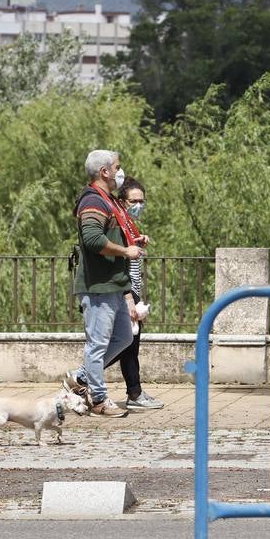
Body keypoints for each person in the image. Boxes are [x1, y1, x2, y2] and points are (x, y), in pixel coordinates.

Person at [65, 149, 139, 417]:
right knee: (97, 345)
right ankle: (98, 400)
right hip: (98, 287)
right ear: (104, 172)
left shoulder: (107, 200)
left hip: (113, 285)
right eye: (117, 167)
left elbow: (107, 236)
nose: (121, 172)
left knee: (123, 338)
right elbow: (93, 240)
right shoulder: (92, 201)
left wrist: (132, 242)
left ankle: (80, 377)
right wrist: (125, 252)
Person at [110, 175, 164, 410]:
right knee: (123, 343)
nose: (139, 205)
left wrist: (139, 242)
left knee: (130, 344)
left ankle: (135, 392)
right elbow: (118, 263)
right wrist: (129, 297)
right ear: (123, 202)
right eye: (134, 201)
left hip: (132, 290)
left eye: (142, 200)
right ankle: (80, 377)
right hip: (125, 291)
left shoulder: (130, 226)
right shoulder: (118, 225)